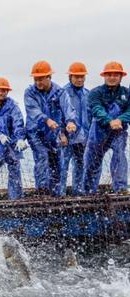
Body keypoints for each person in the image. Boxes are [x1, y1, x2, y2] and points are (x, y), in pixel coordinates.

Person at [24, 60, 78, 196]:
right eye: (36, 79)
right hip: (35, 133)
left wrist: (70, 123)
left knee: (56, 162)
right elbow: (33, 111)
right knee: (42, 157)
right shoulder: (29, 92)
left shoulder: (60, 92)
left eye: (41, 79)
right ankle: (42, 192)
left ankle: (56, 194)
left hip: (53, 133)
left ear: (49, 77)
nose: (38, 82)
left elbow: (67, 109)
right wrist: (46, 119)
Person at [84, 61, 130, 195]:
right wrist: (109, 121)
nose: (112, 77)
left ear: (121, 77)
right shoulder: (95, 93)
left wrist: (120, 119)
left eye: (116, 75)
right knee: (92, 163)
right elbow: (96, 108)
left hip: (119, 132)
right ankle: (88, 192)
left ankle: (121, 189)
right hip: (98, 133)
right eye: (109, 74)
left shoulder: (127, 93)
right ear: (104, 76)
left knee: (119, 155)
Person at [59, 62, 91, 196]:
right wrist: (61, 134)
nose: (79, 79)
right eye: (76, 76)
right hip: (67, 138)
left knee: (80, 164)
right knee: (62, 165)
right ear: (70, 77)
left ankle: (78, 193)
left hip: (83, 138)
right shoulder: (63, 93)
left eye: (81, 76)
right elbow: (57, 115)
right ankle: (60, 194)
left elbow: (91, 117)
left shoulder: (88, 94)